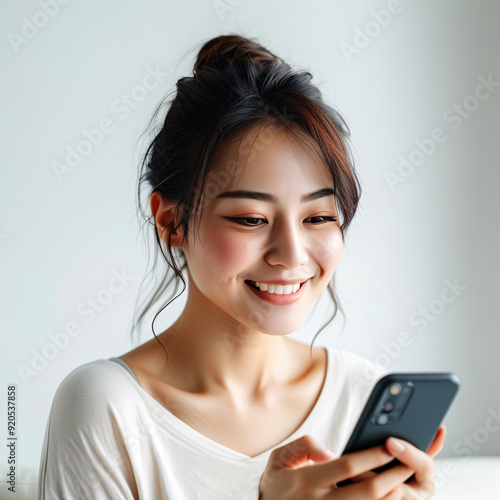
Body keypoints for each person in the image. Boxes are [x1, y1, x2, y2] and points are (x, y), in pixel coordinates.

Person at [37, 34, 445, 500]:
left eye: (318, 217)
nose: (291, 254)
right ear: (171, 222)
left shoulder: (363, 397)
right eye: (251, 219)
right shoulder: (105, 406)